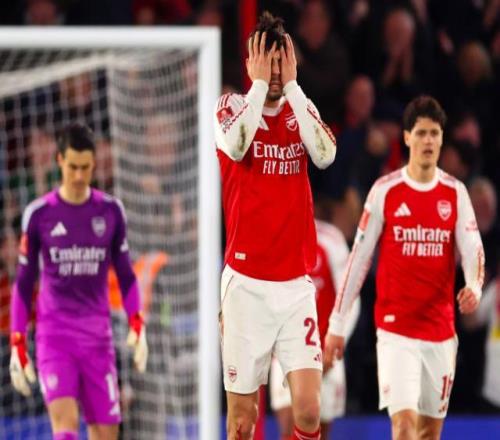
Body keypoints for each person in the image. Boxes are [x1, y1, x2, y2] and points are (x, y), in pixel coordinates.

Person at [324, 96, 485, 440]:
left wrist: (473, 286)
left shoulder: (455, 193)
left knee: (428, 433)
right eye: (421, 133)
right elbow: (359, 258)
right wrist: (337, 324)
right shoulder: (385, 191)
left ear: (442, 139)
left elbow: (473, 248)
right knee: (404, 425)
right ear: (408, 137)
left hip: (440, 331)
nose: (428, 141)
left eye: (434, 134)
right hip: (396, 330)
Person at [214, 11, 336, 440]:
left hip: (295, 285)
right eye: (268, 60)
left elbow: (326, 155)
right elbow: (236, 145)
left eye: (282, 60)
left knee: (309, 410)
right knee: (242, 421)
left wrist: (295, 90)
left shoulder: (301, 110)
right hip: (245, 285)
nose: (276, 70)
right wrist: (258, 86)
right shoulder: (229, 108)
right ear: (252, 61)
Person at [9, 123, 148, 440]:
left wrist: (137, 322)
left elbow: (126, 276)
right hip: (55, 339)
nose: (78, 175)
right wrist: (18, 340)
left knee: (106, 434)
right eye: (72, 167)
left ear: (94, 164)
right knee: (65, 429)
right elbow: (23, 284)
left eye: (85, 168)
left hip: (98, 341)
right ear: (59, 161)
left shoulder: (111, 211)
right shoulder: (39, 214)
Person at [270, 219, 360, 440]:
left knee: (318, 431)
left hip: (326, 354)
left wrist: (333, 346)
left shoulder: (331, 239)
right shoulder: (274, 235)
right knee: (289, 427)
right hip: (285, 351)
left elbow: (350, 298)